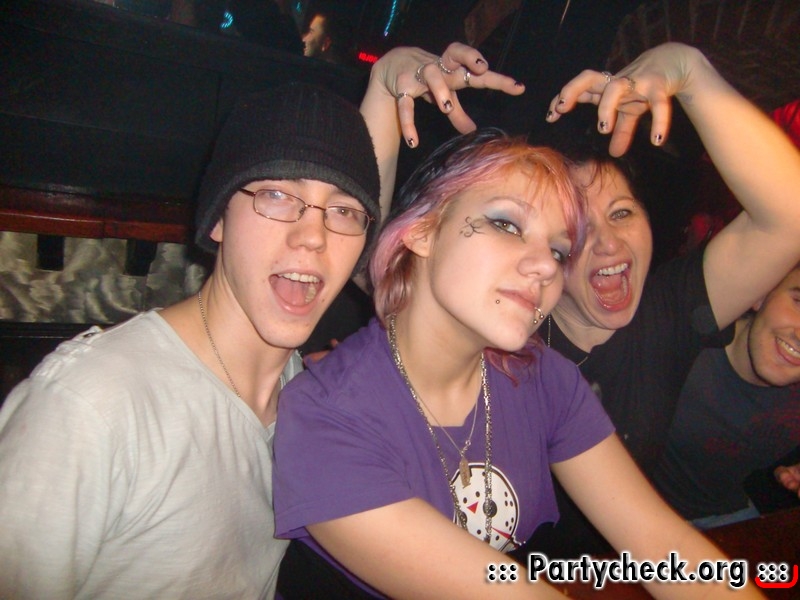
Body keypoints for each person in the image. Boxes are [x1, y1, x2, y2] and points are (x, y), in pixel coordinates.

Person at [0, 42, 521, 597]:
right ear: (218, 220)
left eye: (343, 211)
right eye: (275, 195)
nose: (313, 235)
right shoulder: (91, 405)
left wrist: (384, 91)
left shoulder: (308, 398)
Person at [273, 128, 762, 599]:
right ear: (422, 230)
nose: (547, 267)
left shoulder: (544, 378)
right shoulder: (323, 416)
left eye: (558, 250)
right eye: (507, 225)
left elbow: (660, 543)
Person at [513, 42, 800, 558]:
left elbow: (791, 216)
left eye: (622, 213)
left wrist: (690, 70)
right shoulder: (502, 331)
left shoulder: (665, 313)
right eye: (578, 226)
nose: (608, 243)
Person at [652, 263, 800, 528]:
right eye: (799, 303)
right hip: (633, 508)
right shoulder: (681, 347)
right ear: (762, 295)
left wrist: (791, 467)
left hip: (723, 513)